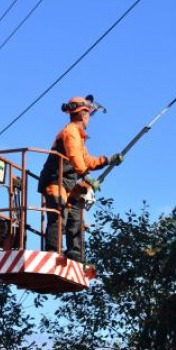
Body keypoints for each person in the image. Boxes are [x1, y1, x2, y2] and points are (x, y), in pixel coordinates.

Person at [37, 96, 122, 262]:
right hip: (56, 181)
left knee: (75, 214)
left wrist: (108, 160)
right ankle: (53, 253)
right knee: (59, 214)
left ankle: (75, 255)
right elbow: (75, 157)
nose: (89, 118)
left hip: (67, 183)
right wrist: (86, 176)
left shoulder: (78, 136)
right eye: (88, 114)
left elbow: (85, 160)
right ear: (83, 115)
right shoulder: (70, 132)